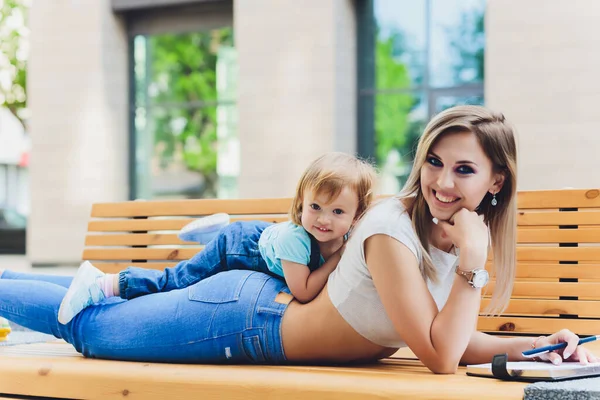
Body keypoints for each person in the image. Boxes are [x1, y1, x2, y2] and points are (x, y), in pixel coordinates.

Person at [0, 106, 596, 371]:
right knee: (91, 330)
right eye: (435, 161)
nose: (442, 181)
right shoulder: (393, 230)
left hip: (262, 310)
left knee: (98, 311)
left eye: (464, 170)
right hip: (245, 321)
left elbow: (456, 339)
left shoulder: (447, 232)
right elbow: (439, 358)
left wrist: (545, 347)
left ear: (498, 181)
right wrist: (473, 262)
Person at [57, 152, 377, 324]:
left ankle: (213, 233)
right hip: (236, 248)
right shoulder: (299, 240)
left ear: (357, 215)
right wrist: (338, 257)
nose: (323, 219)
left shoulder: (348, 233)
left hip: (257, 236)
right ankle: (103, 283)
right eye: (315, 207)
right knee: (176, 281)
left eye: (337, 212)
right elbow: (304, 291)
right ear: (301, 204)